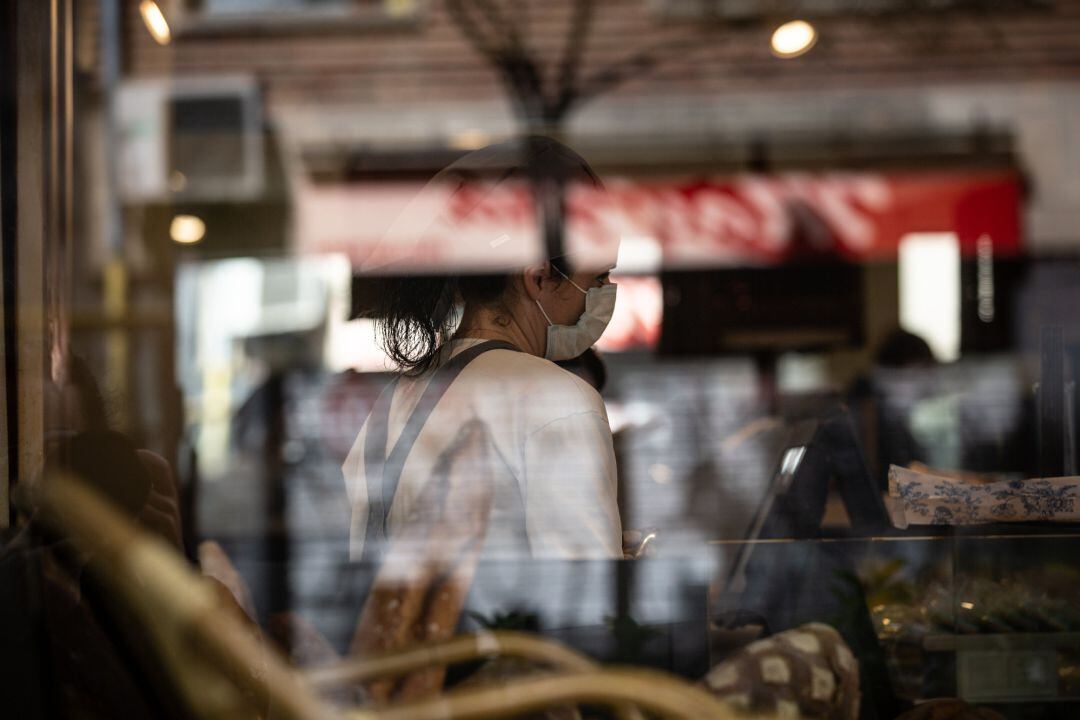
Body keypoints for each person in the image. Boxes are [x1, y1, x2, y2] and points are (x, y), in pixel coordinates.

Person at [342, 136, 623, 562]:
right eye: (597, 279)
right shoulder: (558, 400)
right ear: (539, 277)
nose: (603, 296)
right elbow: (588, 599)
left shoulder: (393, 402)